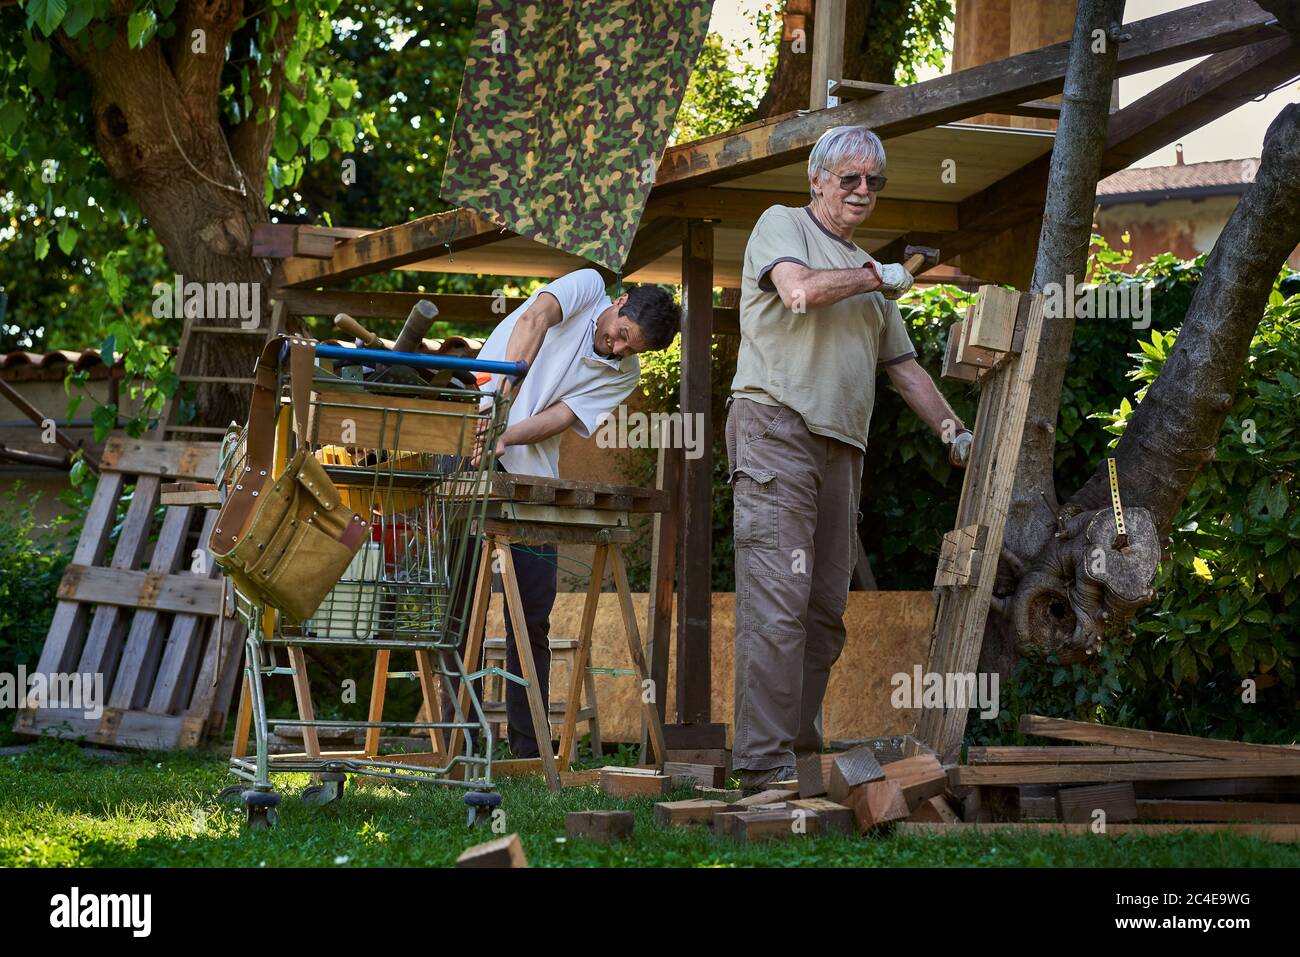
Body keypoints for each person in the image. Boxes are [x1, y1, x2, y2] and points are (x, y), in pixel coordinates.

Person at [728, 125, 973, 792]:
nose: (864, 190)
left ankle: (797, 752)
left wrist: (956, 433)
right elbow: (800, 293)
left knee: (822, 610)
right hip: (776, 426)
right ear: (818, 180)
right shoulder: (782, 225)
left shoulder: (870, 274)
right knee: (777, 599)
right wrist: (875, 276)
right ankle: (760, 762)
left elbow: (906, 369)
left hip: (842, 448)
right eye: (851, 179)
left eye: (875, 181)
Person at [444, 268, 681, 759]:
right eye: (620, 333)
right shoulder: (587, 286)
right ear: (621, 300)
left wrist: (507, 436)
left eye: (629, 347)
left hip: (531, 473)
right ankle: (457, 742)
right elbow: (533, 318)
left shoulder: (625, 373)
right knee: (456, 605)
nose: (616, 349)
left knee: (531, 612)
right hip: (466, 436)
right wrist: (499, 405)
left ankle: (529, 749)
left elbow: (563, 416)